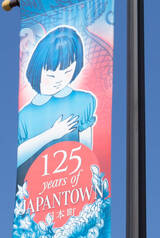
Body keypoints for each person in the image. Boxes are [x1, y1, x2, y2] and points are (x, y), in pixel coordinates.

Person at [16, 26, 97, 186]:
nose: (59, 80)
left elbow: (87, 149)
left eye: (67, 72)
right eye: (51, 75)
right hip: (34, 194)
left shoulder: (84, 101)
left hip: (75, 188)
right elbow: (19, 157)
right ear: (37, 70)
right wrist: (52, 134)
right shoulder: (24, 115)